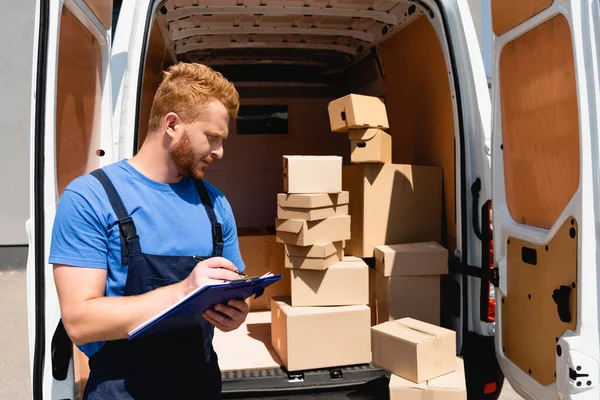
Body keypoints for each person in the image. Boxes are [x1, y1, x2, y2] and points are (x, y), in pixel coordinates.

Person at [49, 62, 249, 399]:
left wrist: (234, 313)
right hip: (123, 389)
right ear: (172, 124)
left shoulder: (216, 205)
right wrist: (184, 290)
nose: (219, 152)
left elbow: (234, 285)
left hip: (199, 383)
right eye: (212, 138)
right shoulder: (90, 198)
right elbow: (80, 321)